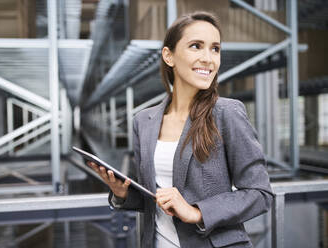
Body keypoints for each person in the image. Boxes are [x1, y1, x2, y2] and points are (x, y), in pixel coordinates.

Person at [88, 11, 274, 248]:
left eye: (215, 48)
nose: (208, 58)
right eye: (196, 46)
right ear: (169, 56)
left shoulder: (227, 113)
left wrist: (197, 212)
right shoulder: (144, 121)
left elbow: (260, 194)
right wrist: (122, 193)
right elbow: (153, 199)